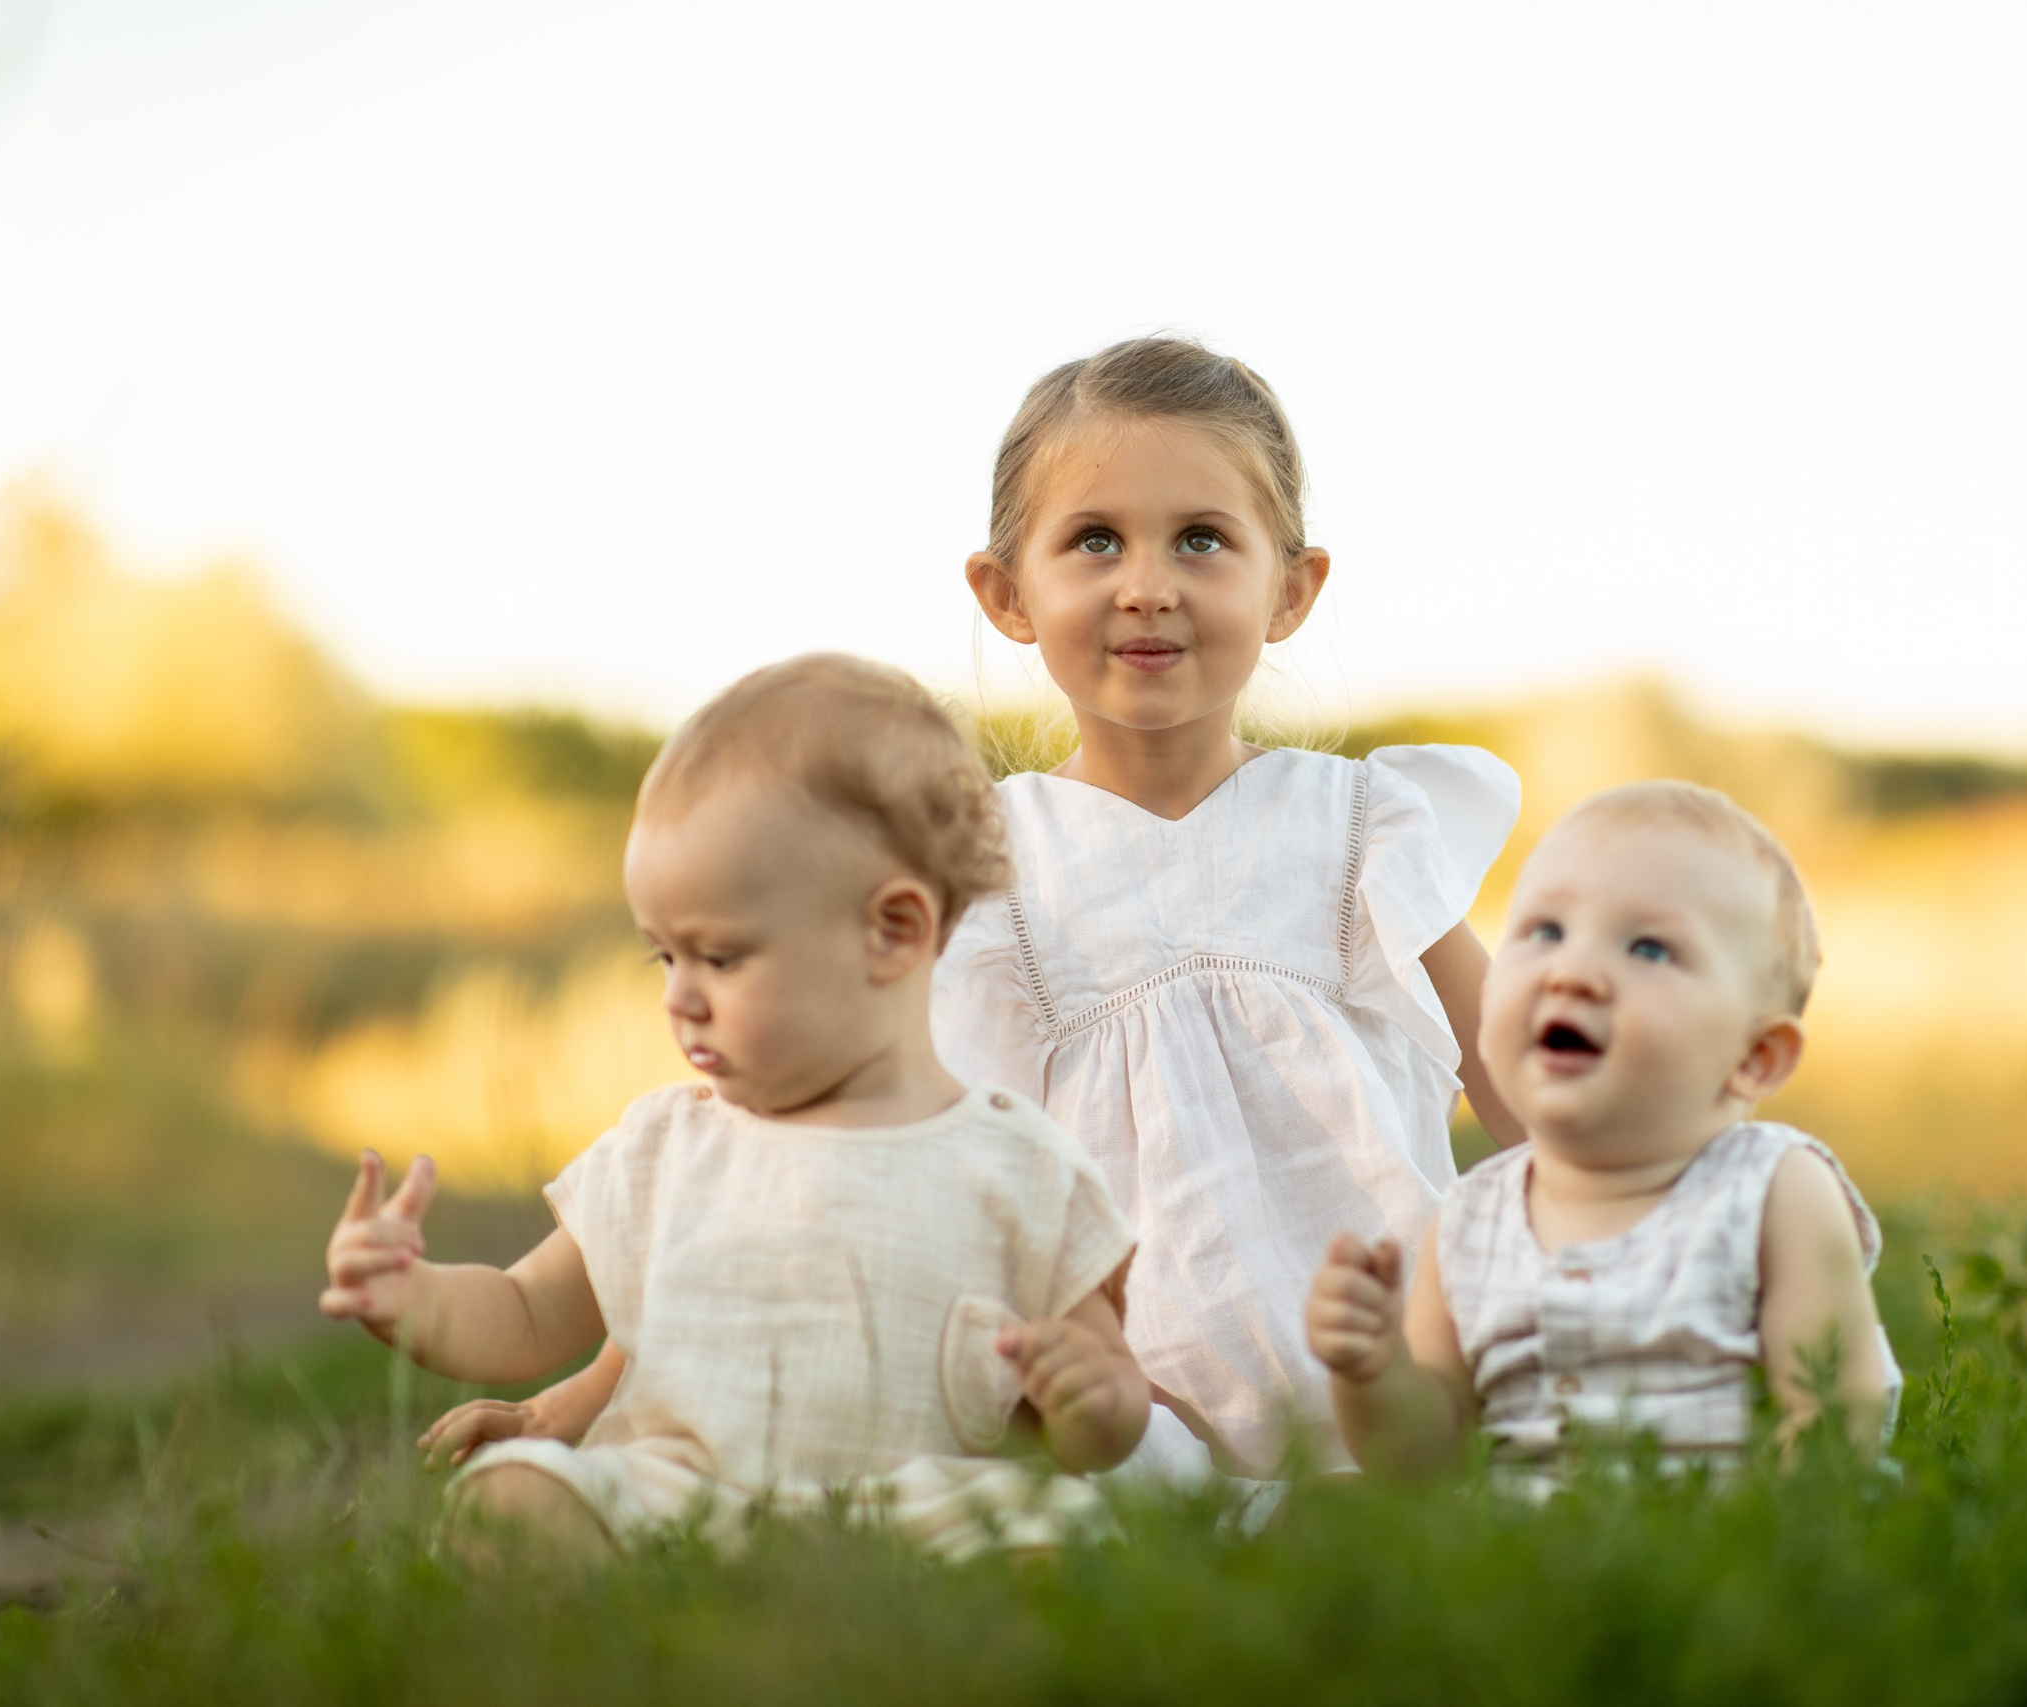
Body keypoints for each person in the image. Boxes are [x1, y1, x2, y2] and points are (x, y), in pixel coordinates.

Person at [425, 336, 1525, 1481]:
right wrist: (590, 1390)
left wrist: (1644, 1225)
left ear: (1290, 589)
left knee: (1486, 1444)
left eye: (1201, 539)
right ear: (1008, 594)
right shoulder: (987, 869)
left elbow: (1522, 1077)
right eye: (1094, 541)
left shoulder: (1358, 823)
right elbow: (817, 1143)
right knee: (1062, 1455)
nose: (1146, 583)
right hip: (1122, 1392)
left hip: (1382, 1355)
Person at [326, 655, 1151, 1560]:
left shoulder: (1021, 1166)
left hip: (914, 1519)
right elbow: (525, 1312)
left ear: (894, 931)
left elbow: (1108, 1386)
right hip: (680, 1499)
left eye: (718, 957)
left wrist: (1096, 1405)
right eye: (663, 957)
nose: (679, 994)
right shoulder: (666, 1148)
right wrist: (411, 1296)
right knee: (517, 1495)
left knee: (1068, 1527)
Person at [1304, 782, 1900, 1488]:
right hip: (1524, 1567)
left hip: (1718, 1557)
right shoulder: (1469, 1219)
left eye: (1647, 948)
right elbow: (1423, 1459)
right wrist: (1372, 1371)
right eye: (1546, 932)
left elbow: (1836, 1416)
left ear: (1754, 1057)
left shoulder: (1773, 1188)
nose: (1573, 972)